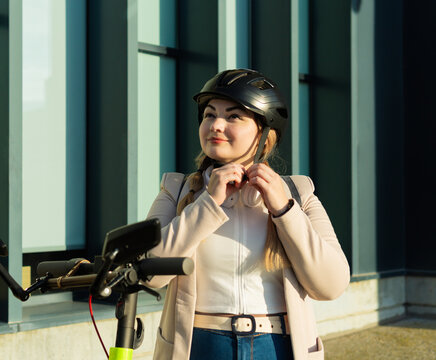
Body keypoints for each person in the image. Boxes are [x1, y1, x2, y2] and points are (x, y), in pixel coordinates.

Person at [144, 69, 350, 360]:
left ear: (264, 134)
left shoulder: (299, 193)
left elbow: (332, 285)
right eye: (209, 115)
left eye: (233, 117)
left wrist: (285, 210)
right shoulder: (175, 189)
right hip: (199, 346)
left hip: (276, 347)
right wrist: (208, 202)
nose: (216, 125)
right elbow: (148, 274)